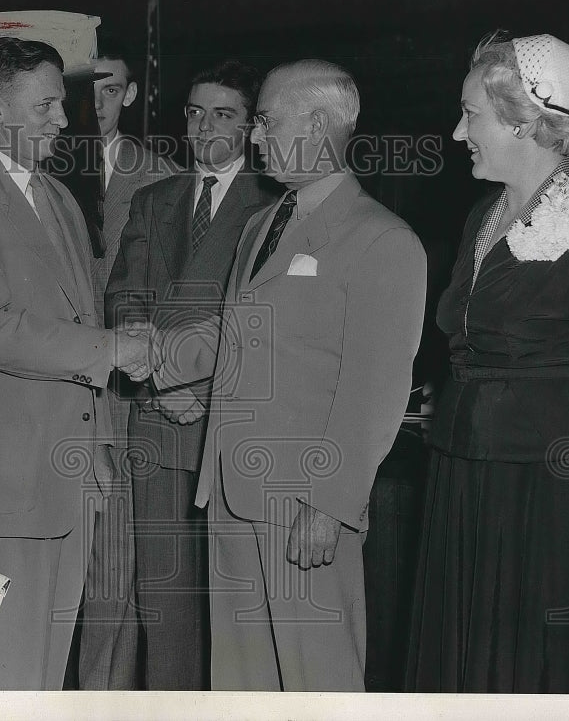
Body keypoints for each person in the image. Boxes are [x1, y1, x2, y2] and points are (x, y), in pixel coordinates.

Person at [140, 59, 427, 691]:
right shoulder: (260, 225)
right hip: (231, 493)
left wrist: (329, 505)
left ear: (320, 124)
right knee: (241, 688)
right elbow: (242, 334)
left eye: (266, 120)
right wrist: (152, 358)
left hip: (303, 502)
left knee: (317, 684)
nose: (255, 136)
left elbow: (374, 391)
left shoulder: (382, 240)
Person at [405, 32, 569, 693]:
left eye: (472, 114)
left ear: (523, 119)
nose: (456, 129)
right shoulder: (477, 218)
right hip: (466, 473)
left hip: (558, 490)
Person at [0, 37, 157, 690]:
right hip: (1, 490)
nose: (62, 118)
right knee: (0, 682)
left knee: (46, 684)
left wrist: (101, 444)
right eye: (45, 104)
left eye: (62, 102)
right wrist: (113, 350)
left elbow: (82, 316)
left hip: (71, 482)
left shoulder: (59, 198)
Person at [105, 59, 279, 690]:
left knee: (234, 612)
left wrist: (202, 388)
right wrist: (160, 380)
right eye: (194, 111)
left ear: (253, 124)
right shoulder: (155, 199)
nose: (203, 126)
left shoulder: (276, 201)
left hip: (228, 432)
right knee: (165, 610)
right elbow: (122, 300)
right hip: (155, 426)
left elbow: (270, 324)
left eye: (223, 114)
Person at [72, 46, 179, 691]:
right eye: (80, 93)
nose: (94, 106)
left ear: (131, 95)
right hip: (56, 390)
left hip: (127, 397)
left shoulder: (166, 178)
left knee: (120, 571)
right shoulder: (39, 169)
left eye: (107, 90)